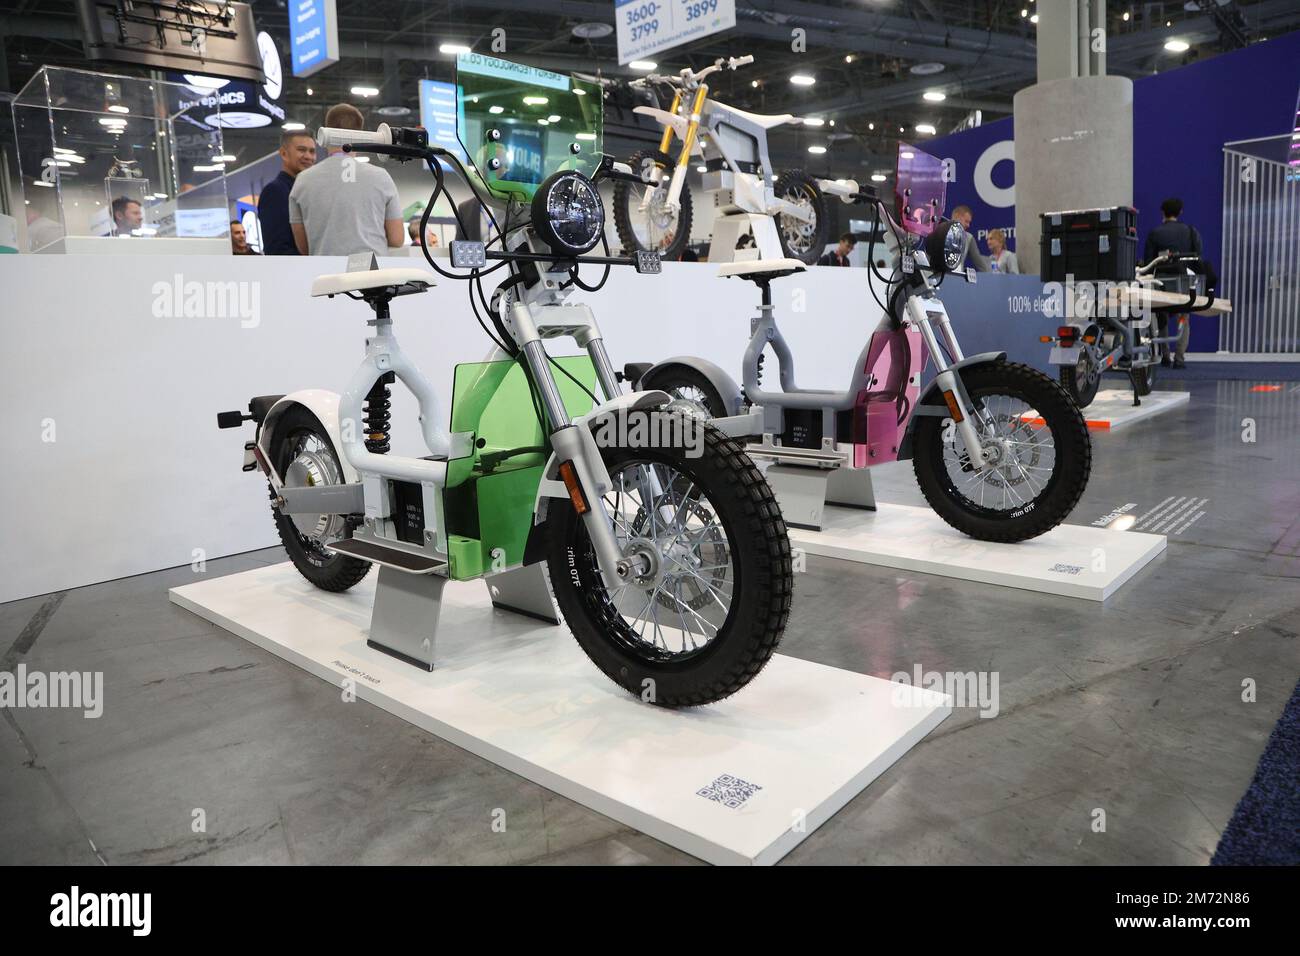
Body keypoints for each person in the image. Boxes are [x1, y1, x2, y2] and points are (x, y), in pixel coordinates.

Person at [289, 104, 405, 257]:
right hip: (372, 274)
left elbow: (304, 247)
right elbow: (397, 239)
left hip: (325, 275)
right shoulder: (381, 177)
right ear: (360, 134)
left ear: (326, 132)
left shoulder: (302, 181)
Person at [1143, 197, 1202, 369]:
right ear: (1180, 212)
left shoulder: (1155, 233)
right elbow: (1198, 256)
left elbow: (1148, 261)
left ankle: (1165, 355)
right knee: (1184, 317)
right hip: (1183, 280)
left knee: (1161, 318)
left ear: (1163, 212)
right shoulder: (1190, 231)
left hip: (1161, 281)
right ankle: (1180, 358)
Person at [258, 129, 317, 255]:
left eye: (312, 151)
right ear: (284, 154)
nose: (308, 156)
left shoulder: (308, 190)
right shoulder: (275, 191)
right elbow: (277, 249)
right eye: (301, 150)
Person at [950, 205, 989, 272]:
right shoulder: (940, 232)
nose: (968, 225)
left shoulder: (969, 238)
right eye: (966, 221)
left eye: (969, 222)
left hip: (957, 280)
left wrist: (989, 279)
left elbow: (981, 265)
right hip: (939, 279)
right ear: (956, 217)